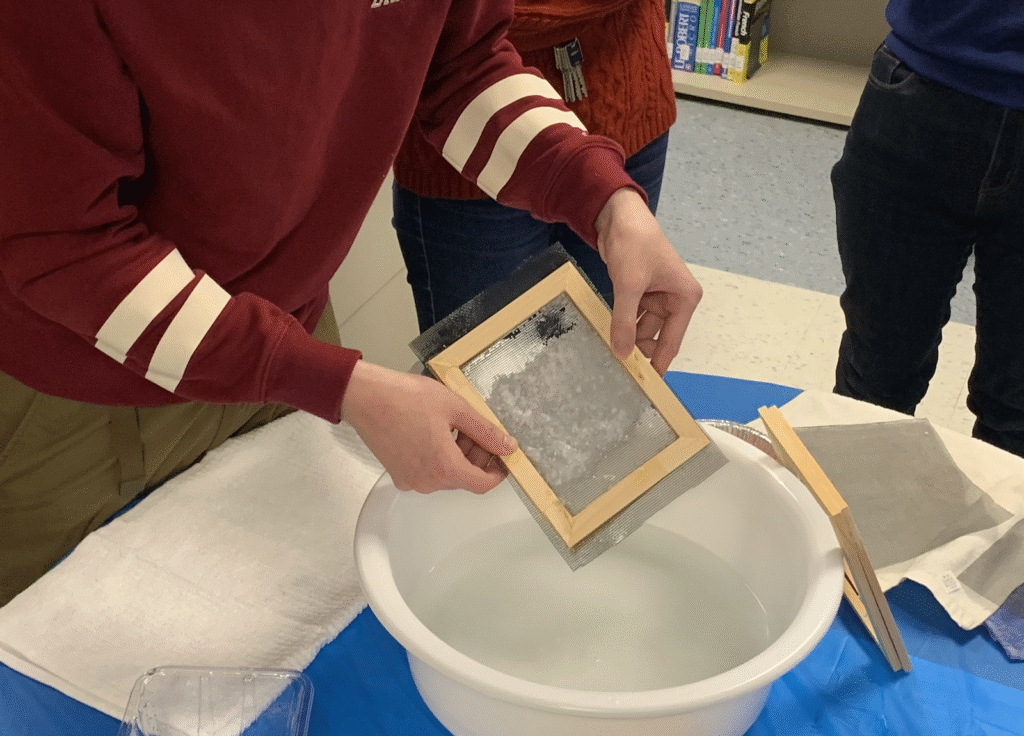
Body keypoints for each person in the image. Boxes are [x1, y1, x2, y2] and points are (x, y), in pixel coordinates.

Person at [0, 0, 703, 605]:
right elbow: (64, 247)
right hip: (85, 383)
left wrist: (604, 199)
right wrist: (332, 381)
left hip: (284, 334)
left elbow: (460, 66)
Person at [392, 0, 678, 355]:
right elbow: (445, 34)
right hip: (464, 126)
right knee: (488, 377)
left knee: (604, 358)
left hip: (627, 84)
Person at [831, 3, 1024, 457]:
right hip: (924, 87)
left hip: (922, 84)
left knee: (1017, 417)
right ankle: (845, 527)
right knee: (873, 383)